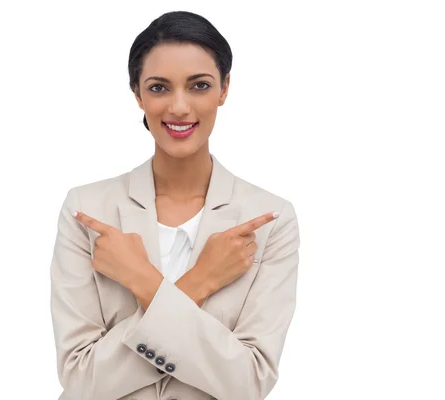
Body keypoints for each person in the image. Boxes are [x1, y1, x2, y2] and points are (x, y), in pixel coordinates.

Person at [49, 10, 300, 400]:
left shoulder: (270, 219)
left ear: (225, 88)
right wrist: (200, 281)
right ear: (137, 94)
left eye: (199, 85)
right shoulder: (87, 209)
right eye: (159, 87)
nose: (179, 107)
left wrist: (142, 281)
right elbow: (80, 380)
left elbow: (249, 383)